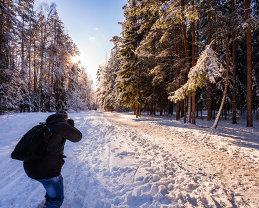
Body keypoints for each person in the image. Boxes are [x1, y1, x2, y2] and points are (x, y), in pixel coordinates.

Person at [23, 112, 82, 208]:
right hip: (47, 171)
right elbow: (78, 137)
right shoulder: (62, 126)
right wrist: (70, 126)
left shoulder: (46, 126)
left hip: (30, 167)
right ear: (65, 119)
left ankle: (47, 202)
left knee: (55, 182)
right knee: (57, 200)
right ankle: (50, 203)